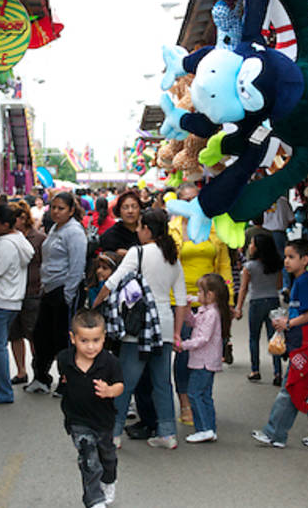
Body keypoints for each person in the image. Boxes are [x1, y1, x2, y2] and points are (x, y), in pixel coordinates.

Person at [94, 208, 188, 450]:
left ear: (147, 229)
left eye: (140, 227)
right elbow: (181, 300)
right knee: (162, 383)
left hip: (139, 327)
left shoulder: (138, 253)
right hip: (165, 326)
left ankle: (113, 433)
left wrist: (94, 305)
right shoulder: (172, 257)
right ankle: (167, 433)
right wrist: (176, 333)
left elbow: (111, 284)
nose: (137, 231)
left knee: (125, 381)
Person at [251, 239, 308, 449]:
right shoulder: (299, 281)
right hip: (304, 343)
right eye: (286, 256)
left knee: (290, 388)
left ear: (305, 260)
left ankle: (274, 433)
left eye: (291, 257)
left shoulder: (304, 282)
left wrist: (288, 323)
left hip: (307, 345)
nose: (286, 261)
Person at [168, 182, 232, 428]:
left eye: (196, 199)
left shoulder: (215, 228)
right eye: (186, 200)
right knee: (184, 354)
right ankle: (185, 403)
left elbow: (224, 266)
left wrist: (230, 300)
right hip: (180, 301)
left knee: (208, 353)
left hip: (211, 302)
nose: (192, 204)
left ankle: (203, 403)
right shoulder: (172, 229)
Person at [58, 309, 124, 508]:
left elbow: (120, 386)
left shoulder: (110, 362)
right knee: (89, 460)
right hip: (78, 421)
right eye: (84, 341)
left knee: (107, 457)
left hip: (104, 421)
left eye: (96, 340)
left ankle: (109, 481)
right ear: (73, 338)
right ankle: (94, 500)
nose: (90, 346)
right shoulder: (64, 359)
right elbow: (64, 382)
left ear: (104, 338)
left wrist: (109, 391)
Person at [25, 192, 88, 396]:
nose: (56, 212)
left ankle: (67, 380)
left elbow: (77, 265)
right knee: (42, 335)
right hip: (49, 289)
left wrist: (68, 295)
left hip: (65, 290)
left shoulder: (74, 232)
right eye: (53, 207)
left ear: (71, 210)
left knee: (64, 339)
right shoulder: (54, 228)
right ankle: (41, 378)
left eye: (61, 208)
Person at [0, 204, 34, 404]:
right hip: (11, 301)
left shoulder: (5, 244)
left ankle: (2, 391)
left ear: (4, 224)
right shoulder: (19, 240)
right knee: (0, 347)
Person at [178, 273, 228, 443]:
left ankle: (203, 429)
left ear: (210, 294)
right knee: (205, 395)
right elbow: (193, 323)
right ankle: (209, 428)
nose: (198, 294)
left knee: (194, 393)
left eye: (200, 291)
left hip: (204, 361)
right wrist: (186, 309)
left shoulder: (211, 313)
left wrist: (184, 345)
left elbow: (203, 338)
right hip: (204, 361)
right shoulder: (205, 311)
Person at [235, 234, 283, 386]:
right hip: (273, 301)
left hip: (256, 302)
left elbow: (243, 289)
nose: (249, 246)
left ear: (257, 248)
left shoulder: (249, 267)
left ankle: (255, 370)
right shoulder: (276, 265)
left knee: (254, 338)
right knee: (274, 337)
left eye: (252, 243)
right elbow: (279, 286)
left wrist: (239, 308)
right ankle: (278, 372)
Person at [8, 201, 45, 385]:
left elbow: (44, 264)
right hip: (13, 292)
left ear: (24, 218)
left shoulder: (38, 238)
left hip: (33, 291)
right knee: (14, 334)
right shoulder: (8, 237)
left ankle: (38, 371)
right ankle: (21, 371)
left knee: (33, 335)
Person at [263, 193, 293, 300]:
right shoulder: (283, 201)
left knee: (265, 260)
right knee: (285, 260)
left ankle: (267, 286)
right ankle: (285, 286)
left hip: (264, 233)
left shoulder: (263, 200)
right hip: (279, 234)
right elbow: (291, 219)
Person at [99, 190, 142, 258]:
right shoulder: (110, 236)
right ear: (119, 211)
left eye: (134, 207)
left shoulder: (146, 233)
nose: (130, 211)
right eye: (125, 207)